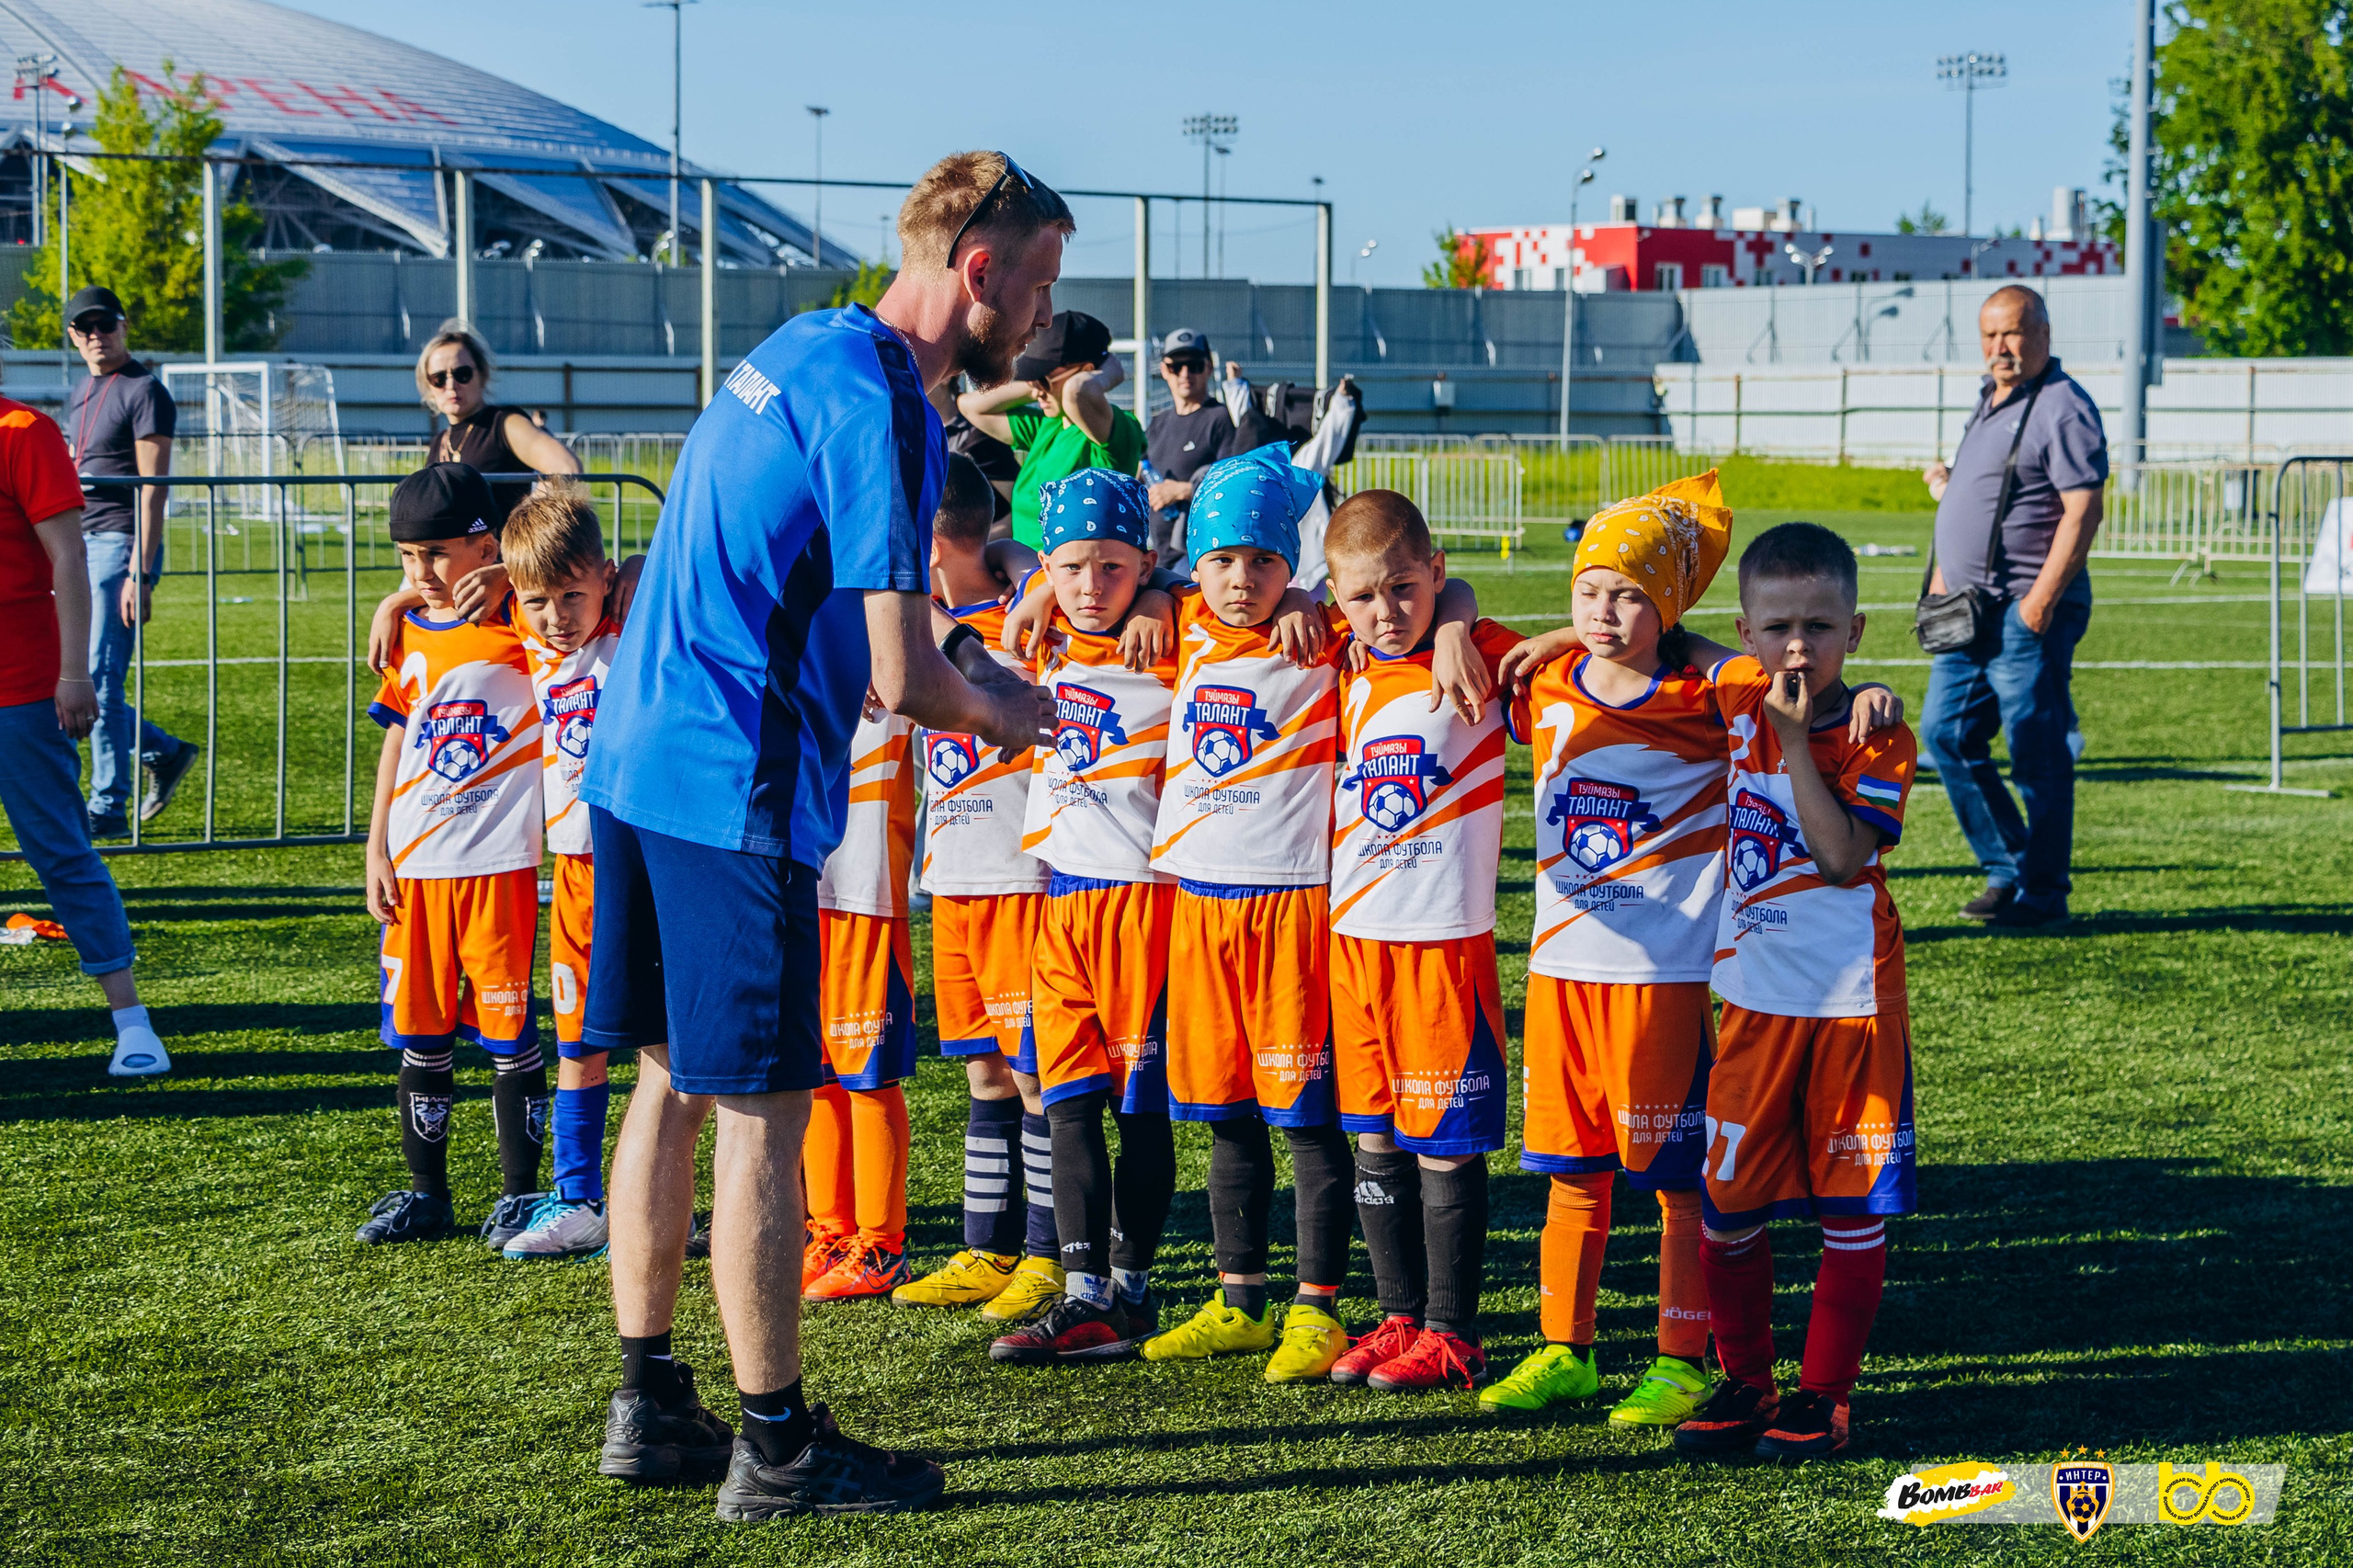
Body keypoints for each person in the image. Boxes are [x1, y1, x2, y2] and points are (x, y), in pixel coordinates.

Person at [575, 149, 1064, 1520]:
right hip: (736, 781)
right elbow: (905, 679)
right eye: (1034, 286)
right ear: (977, 268)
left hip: (637, 756)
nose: (1036, 320)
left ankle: (647, 1397)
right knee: (764, 1116)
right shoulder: (886, 411)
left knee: (668, 1077)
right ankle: (778, 1446)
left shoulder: (795, 341)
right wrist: (1007, 711)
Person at [1672, 522, 1917, 1462]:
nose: (1798, 647)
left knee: (1850, 1211)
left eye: (1820, 625)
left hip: (1852, 1005)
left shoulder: (1878, 731)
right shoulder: (1739, 685)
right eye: (1776, 627)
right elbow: (1659, 638)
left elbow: (1841, 854)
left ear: (1855, 631)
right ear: (1746, 632)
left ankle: (1823, 1397)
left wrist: (1788, 738)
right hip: (1755, 1004)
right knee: (1727, 1209)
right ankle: (1745, 1377)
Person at [1317, 491, 1523, 1394]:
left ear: (1436, 571)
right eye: (1363, 597)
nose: (1385, 611)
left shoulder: (1476, 654)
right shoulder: (1335, 655)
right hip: (1354, 939)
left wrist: (1461, 620)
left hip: (1440, 941)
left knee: (1443, 1139)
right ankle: (1398, 1313)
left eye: (1405, 588)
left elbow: (1597, 646)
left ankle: (1454, 1330)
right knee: (1372, 1138)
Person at [983, 471, 1182, 1368]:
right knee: (1065, 1098)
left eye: (1112, 566)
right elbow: (998, 557)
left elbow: (1274, 595)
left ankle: (1131, 1286)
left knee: (1138, 1106)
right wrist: (1032, 585)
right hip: (1060, 901)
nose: (1090, 585)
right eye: (1072, 567)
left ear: (1143, 560)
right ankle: (1080, 1291)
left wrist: (1170, 592)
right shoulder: (1041, 627)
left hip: (1144, 905)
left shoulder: (1177, 641)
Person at [358, 464, 550, 1249]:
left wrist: (514, 571)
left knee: (507, 1034)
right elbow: (400, 740)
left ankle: (518, 1194)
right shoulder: (405, 630)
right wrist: (376, 846)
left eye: (436, 554)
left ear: (483, 544)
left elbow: (600, 573)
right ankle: (426, 1194)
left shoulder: (529, 618)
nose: (421, 574)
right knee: (421, 1033)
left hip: (498, 863)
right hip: (416, 864)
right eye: (407, 559)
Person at [892, 457, 1065, 1320]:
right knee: (985, 1075)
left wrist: (1025, 565)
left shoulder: (1028, 615)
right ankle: (985, 1249)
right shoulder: (923, 625)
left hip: (1018, 879)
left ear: (926, 535)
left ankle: (1045, 1254)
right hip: (955, 881)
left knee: (1037, 1078)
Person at [1919, 284, 2105, 931]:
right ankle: (2011, 867)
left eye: (2013, 334)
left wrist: (2040, 603)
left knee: (2036, 751)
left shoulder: (2063, 406)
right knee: (1945, 735)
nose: (2001, 348)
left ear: (2044, 334)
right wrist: (1945, 574)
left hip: (2023, 611)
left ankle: (2044, 891)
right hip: (1970, 610)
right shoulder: (1990, 399)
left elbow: (2083, 507)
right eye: (1990, 336)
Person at [0, 374, 171, 1078]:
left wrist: (73, 674)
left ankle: (133, 1023)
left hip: (20, 686)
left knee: (61, 852)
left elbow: (68, 557)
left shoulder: (24, 432)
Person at [498, 483, 622, 1262]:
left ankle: (660, 1196)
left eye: (572, 595)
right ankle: (579, 1198)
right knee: (577, 1038)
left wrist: (634, 571)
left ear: (605, 578)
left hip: (642, 864)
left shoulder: (637, 619)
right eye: (538, 600)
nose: (555, 616)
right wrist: (399, 597)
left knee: (665, 1045)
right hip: (574, 873)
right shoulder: (526, 634)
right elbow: (463, 592)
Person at [62, 286, 198, 840]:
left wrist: (140, 572)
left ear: (124, 326)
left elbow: (153, 487)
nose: (97, 334)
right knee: (79, 675)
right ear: (73, 336)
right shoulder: (82, 390)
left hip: (119, 543)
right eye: (84, 327)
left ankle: (107, 803)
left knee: (99, 676)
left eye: (105, 324)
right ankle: (161, 752)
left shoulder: (145, 390)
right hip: (81, 542)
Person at [800, 695, 921, 1301]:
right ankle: (831, 1231)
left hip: (865, 889)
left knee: (865, 1074)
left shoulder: (885, 630)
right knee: (816, 1069)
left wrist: (1162, 592)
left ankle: (882, 1243)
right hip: (798, 878)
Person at [956, 310, 1141, 550]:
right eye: (1032, 377)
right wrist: (1037, 385)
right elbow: (971, 406)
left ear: (1087, 371)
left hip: (1076, 580)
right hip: (1030, 575)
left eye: (1043, 380)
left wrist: (1111, 370)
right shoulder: (1045, 425)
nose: (1037, 390)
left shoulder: (1116, 431)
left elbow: (1078, 392)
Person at [417, 322, 581, 524]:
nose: (451, 385)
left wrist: (524, 526)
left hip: (502, 553)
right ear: (428, 385)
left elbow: (566, 467)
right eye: (438, 378)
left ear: (482, 375)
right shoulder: (440, 442)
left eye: (462, 374)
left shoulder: (504, 424)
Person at [1141, 328, 1236, 568]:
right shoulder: (1158, 423)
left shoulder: (1220, 418)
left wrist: (1182, 490)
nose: (1185, 374)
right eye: (1177, 366)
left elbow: (1233, 484)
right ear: (1164, 370)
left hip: (1200, 553)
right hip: (1158, 552)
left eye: (1194, 365)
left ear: (1208, 368)